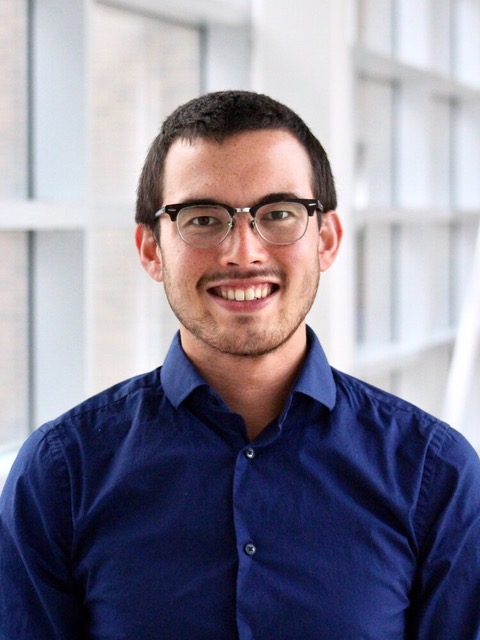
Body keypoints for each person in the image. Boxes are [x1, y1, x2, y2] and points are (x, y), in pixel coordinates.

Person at [1, 90, 479, 640]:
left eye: (279, 214)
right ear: (151, 249)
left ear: (326, 239)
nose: (243, 252)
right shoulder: (60, 474)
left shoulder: (434, 475)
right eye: (203, 219)